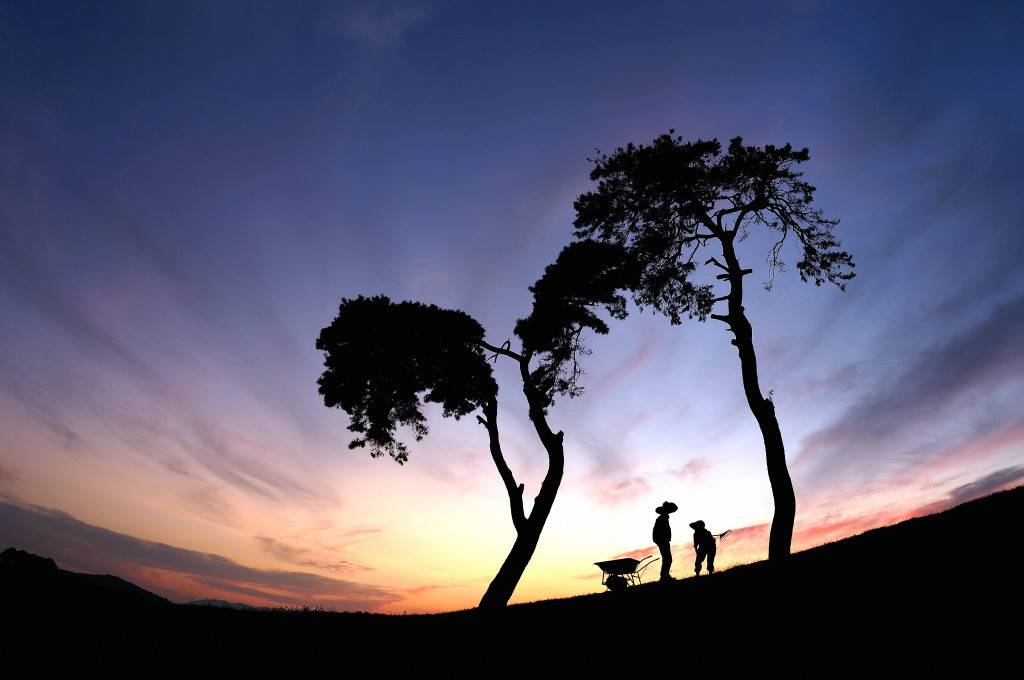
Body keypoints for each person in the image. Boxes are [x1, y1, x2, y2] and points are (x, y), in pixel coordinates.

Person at [652, 501, 678, 582]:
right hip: (662, 540)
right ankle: (664, 577)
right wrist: (664, 539)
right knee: (667, 558)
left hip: (662, 540)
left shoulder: (663, 517)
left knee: (667, 558)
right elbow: (660, 531)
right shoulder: (662, 518)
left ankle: (665, 576)